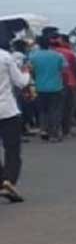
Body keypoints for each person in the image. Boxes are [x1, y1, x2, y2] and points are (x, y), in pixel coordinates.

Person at [0, 39, 30, 202]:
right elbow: (21, 82)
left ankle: (1, 182)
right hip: (7, 109)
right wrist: (26, 72)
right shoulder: (5, 57)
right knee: (12, 149)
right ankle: (8, 181)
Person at [27, 35, 65, 142]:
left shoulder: (33, 56)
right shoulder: (58, 55)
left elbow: (30, 71)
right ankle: (54, 134)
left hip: (40, 87)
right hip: (56, 87)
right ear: (49, 44)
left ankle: (44, 130)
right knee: (55, 111)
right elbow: (63, 70)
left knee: (43, 111)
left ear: (39, 44)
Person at [51, 34, 76, 135]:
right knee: (69, 107)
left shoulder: (49, 53)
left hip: (53, 83)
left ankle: (55, 129)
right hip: (70, 82)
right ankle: (66, 130)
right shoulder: (70, 53)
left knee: (56, 107)